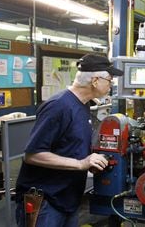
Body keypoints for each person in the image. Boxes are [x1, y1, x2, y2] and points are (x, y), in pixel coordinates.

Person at [16, 54, 123, 227]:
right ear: (95, 80)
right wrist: (81, 164)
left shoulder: (83, 105)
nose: (111, 85)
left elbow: (71, 146)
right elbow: (33, 155)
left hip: (68, 198)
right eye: (110, 80)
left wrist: (91, 163)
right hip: (46, 201)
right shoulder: (59, 106)